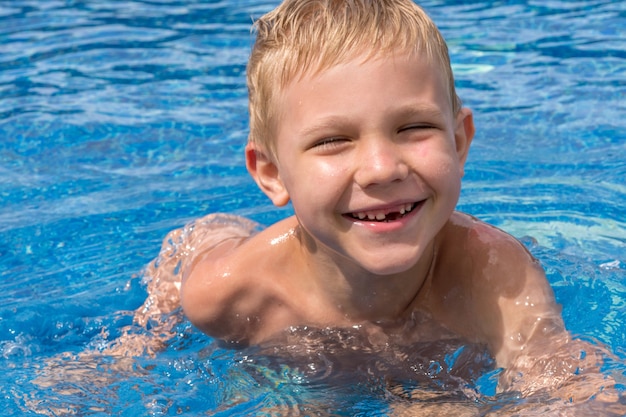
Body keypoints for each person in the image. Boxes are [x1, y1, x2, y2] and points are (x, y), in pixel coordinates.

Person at [147, 0, 621, 412]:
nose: (381, 168)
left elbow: (564, 384)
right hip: (253, 299)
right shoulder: (229, 292)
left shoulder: (495, 274)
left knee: (438, 407)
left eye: (414, 128)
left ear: (459, 141)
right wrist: (147, 335)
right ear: (271, 173)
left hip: (424, 374)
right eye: (333, 140)